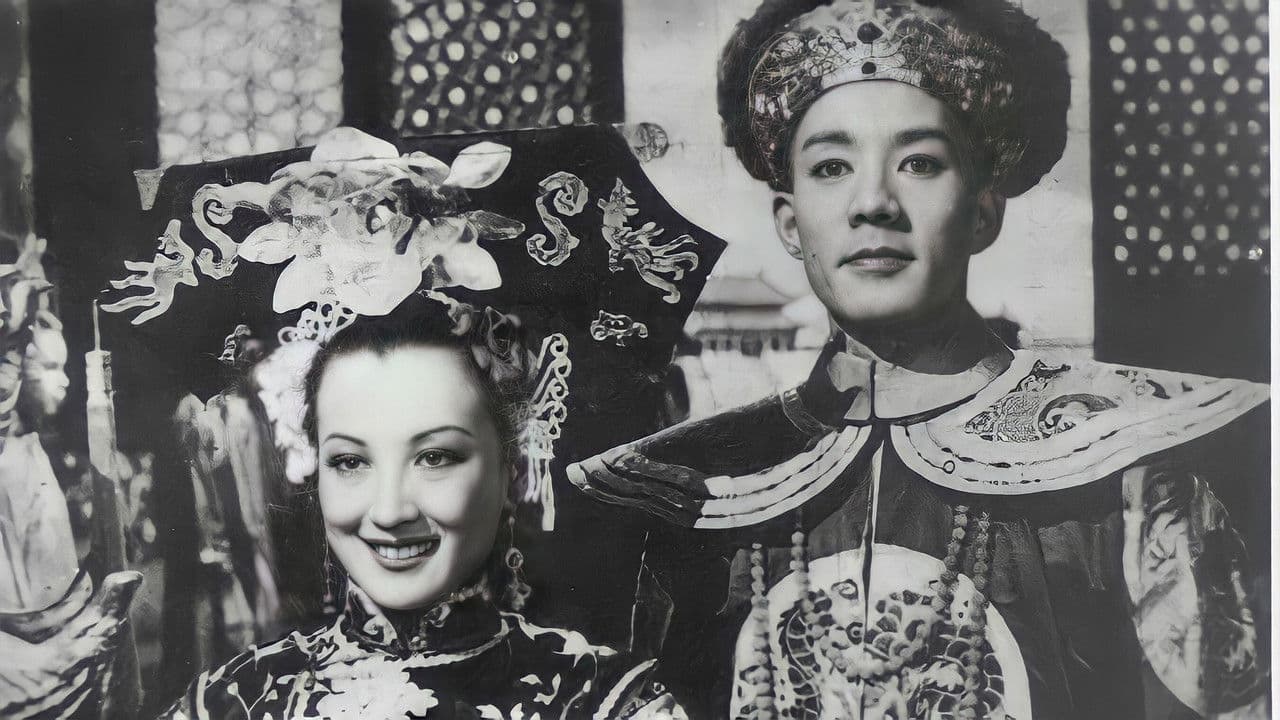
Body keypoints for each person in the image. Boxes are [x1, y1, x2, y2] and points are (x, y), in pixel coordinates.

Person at [568, 1, 1270, 718]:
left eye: (920, 163)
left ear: (983, 211)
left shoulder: (1128, 467)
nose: (874, 203)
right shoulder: (692, 493)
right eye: (831, 167)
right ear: (789, 221)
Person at [161, 299, 684, 719]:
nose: (390, 511)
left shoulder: (605, 700)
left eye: (435, 457)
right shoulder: (233, 701)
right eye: (349, 461)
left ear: (509, 471)